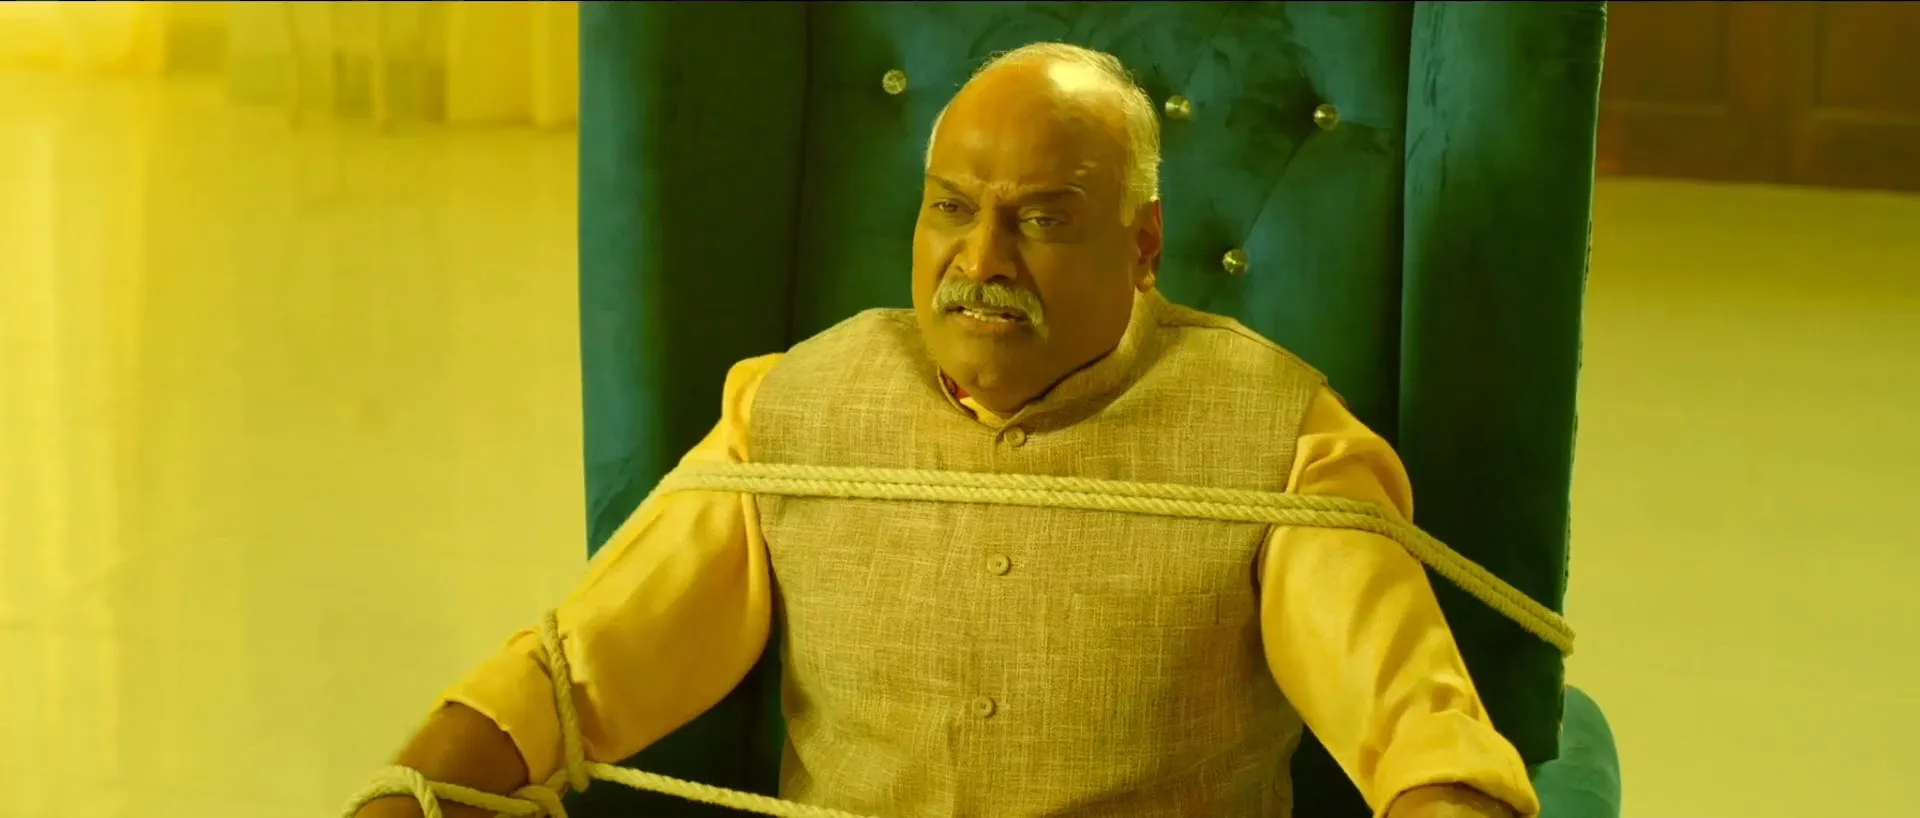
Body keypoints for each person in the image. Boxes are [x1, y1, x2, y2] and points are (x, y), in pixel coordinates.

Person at [355, 42, 1539, 818]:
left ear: (1142, 245)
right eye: (952, 210)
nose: (982, 259)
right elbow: (573, 672)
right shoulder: (794, 410)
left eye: (1043, 219)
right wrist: (408, 792)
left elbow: (1417, 731)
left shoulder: (1275, 437)